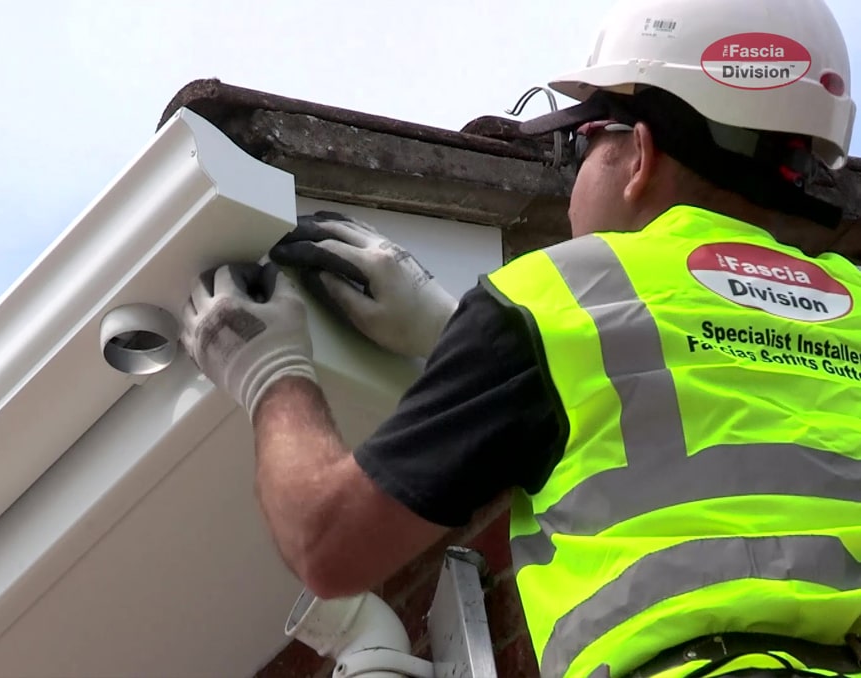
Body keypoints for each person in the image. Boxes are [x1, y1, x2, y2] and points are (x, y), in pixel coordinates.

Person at [178, 0, 860, 676]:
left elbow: (329, 543)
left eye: (579, 145)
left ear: (639, 155)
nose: (570, 187)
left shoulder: (552, 297)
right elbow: (713, 400)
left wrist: (269, 374)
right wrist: (459, 339)